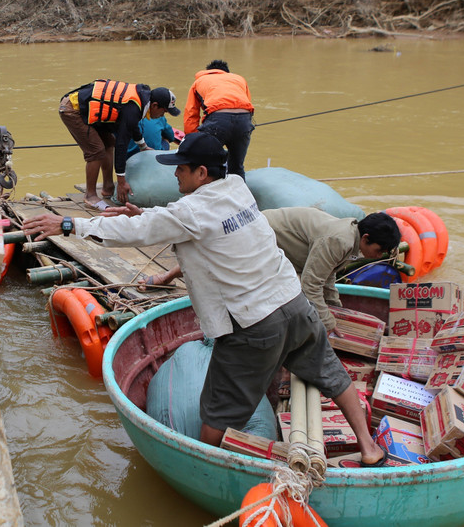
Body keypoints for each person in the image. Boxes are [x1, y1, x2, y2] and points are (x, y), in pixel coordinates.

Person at [21, 132, 385, 466]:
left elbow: (143, 231)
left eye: (180, 169)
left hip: (255, 322)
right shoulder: (238, 187)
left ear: (201, 172)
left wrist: (70, 225)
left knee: (217, 410)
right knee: (331, 375)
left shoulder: (191, 210)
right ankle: (370, 449)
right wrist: (147, 214)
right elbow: (183, 220)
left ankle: (201, 465)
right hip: (294, 303)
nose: (175, 175)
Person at [146, 207, 402, 334]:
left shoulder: (351, 239)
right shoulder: (339, 240)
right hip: (260, 234)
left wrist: (337, 308)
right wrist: (330, 323)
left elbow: (328, 278)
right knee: (212, 263)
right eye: (380, 251)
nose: (378, 257)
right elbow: (311, 286)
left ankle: (168, 276)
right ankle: (167, 277)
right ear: (367, 238)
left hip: (277, 241)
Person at [59, 81, 179, 208]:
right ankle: (90, 195)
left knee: (110, 142)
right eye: (164, 112)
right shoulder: (134, 108)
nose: (162, 115)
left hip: (87, 108)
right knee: (96, 151)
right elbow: (122, 144)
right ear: (155, 105)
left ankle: (108, 187)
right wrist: (121, 182)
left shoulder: (141, 103)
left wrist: (143, 146)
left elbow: (132, 127)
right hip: (73, 109)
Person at [184, 60, 254, 178]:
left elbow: (191, 114)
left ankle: (206, 193)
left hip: (217, 121)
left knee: (207, 165)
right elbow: (247, 104)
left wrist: (192, 141)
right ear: (226, 73)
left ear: (207, 72)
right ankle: (240, 194)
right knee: (237, 167)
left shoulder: (199, 82)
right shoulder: (239, 79)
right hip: (244, 121)